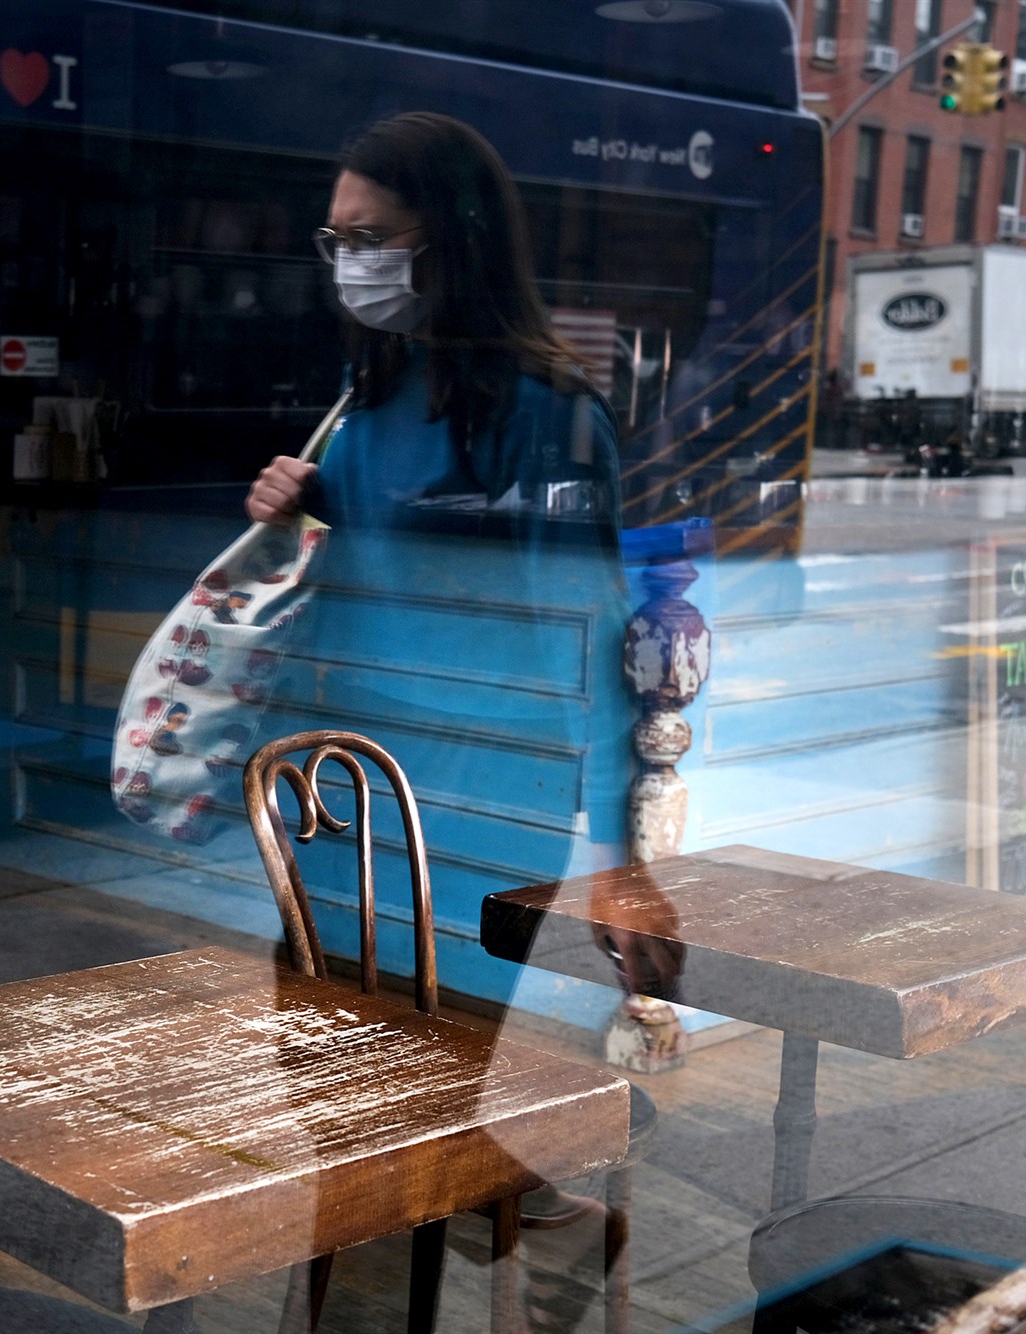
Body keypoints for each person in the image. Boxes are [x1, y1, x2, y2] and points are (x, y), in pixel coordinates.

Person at [244, 111, 681, 1331]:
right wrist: (299, 512)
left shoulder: (550, 416)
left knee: (393, 1129)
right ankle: (551, 1218)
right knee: (339, 1102)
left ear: (454, 243)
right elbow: (353, 587)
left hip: (474, 817)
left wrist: (615, 857)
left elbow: (592, 643)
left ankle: (380, 1304)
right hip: (341, 811)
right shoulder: (362, 400)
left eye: (371, 238)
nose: (349, 266)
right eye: (332, 241)